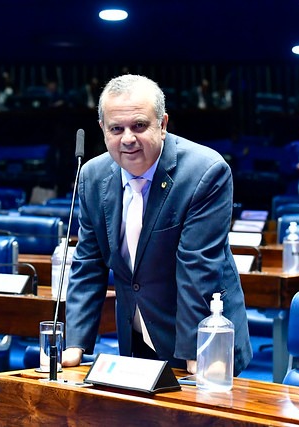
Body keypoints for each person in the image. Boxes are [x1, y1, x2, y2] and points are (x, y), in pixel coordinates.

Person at [62, 74, 252, 376]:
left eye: (139, 126)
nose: (127, 138)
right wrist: (75, 343)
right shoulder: (92, 176)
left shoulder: (205, 172)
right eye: (116, 128)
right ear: (103, 130)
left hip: (201, 337)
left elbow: (198, 267)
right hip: (136, 334)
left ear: (162, 125)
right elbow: (89, 262)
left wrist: (195, 352)